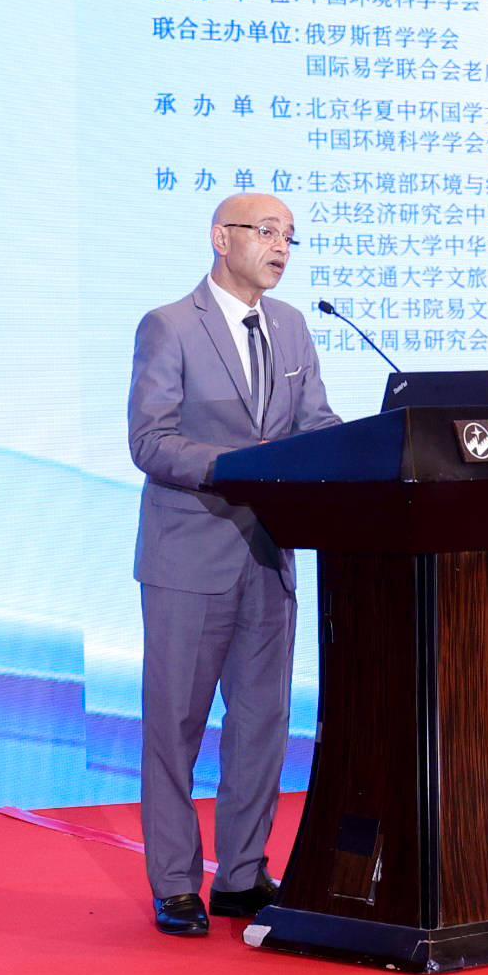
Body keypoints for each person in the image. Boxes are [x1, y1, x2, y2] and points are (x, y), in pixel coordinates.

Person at [126, 192, 339, 937]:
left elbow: (316, 426)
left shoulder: (292, 327)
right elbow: (150, 441)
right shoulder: (169, 325)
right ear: (222, 238)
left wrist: (378, 447)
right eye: (267, 232)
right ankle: (176, 884)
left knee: (261, 722)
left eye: (290, 237)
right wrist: (238, 467)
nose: (281, 247)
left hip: (269, 554)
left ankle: (243, 875)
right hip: (189, 557)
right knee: (175, 725)